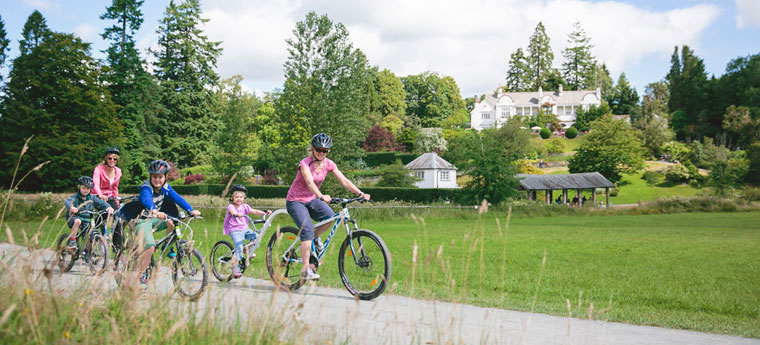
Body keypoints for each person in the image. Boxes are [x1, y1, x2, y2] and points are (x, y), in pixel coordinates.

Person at [286, 133, 370, 281]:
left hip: (312, 199)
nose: (322, 153)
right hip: (296, 201)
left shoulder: (329, 164)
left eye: (325, 151)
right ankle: (306, 269)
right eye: (319, 150)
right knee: (306, 231)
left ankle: (315, 237)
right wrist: (320, 196)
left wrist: (360, 193)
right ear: (312, 149)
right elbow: (310, 182)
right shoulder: (305, 163)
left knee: (330, 218)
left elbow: (344, 180)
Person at [130, 160, 200, 284]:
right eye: (154, 177)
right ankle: (141, 274)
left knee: (171, 223)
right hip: (142, 220)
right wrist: (155, 211)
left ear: (166, 177)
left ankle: (167, 247)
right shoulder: (146, 188)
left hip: (154, 218)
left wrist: (190, 209)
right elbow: (147, 200)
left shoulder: (166, 187)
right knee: (150, 247)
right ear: (150, 177)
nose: (157, 180)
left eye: (160, 177)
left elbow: (178, 198)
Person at [223, 184, 271, 278]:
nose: (239, 199)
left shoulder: (245, 207)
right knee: (238, 246)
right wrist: (236, 214)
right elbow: (232, 212)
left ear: (244, 198)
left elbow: (255, 212)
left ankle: (247, 249)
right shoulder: (231, 207)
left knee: (256, 237)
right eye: (236, 197)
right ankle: (235, 267)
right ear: (232, 198)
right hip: (235, 230)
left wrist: (264, 212)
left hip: (245, 229)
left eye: (241, 197)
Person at [64, 176, 114, 248]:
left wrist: (108, 207)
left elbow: (101, 203)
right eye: (83, 188)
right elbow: (67, 202)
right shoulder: (75, 197)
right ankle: (72, 240)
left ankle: (87, 252)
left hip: (87, 219)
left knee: (90, 235)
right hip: (75, 217)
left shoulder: (92, 197)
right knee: (78, 221)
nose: (85, 190)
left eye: (88, 188)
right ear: (79, 187)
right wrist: (71, 208)